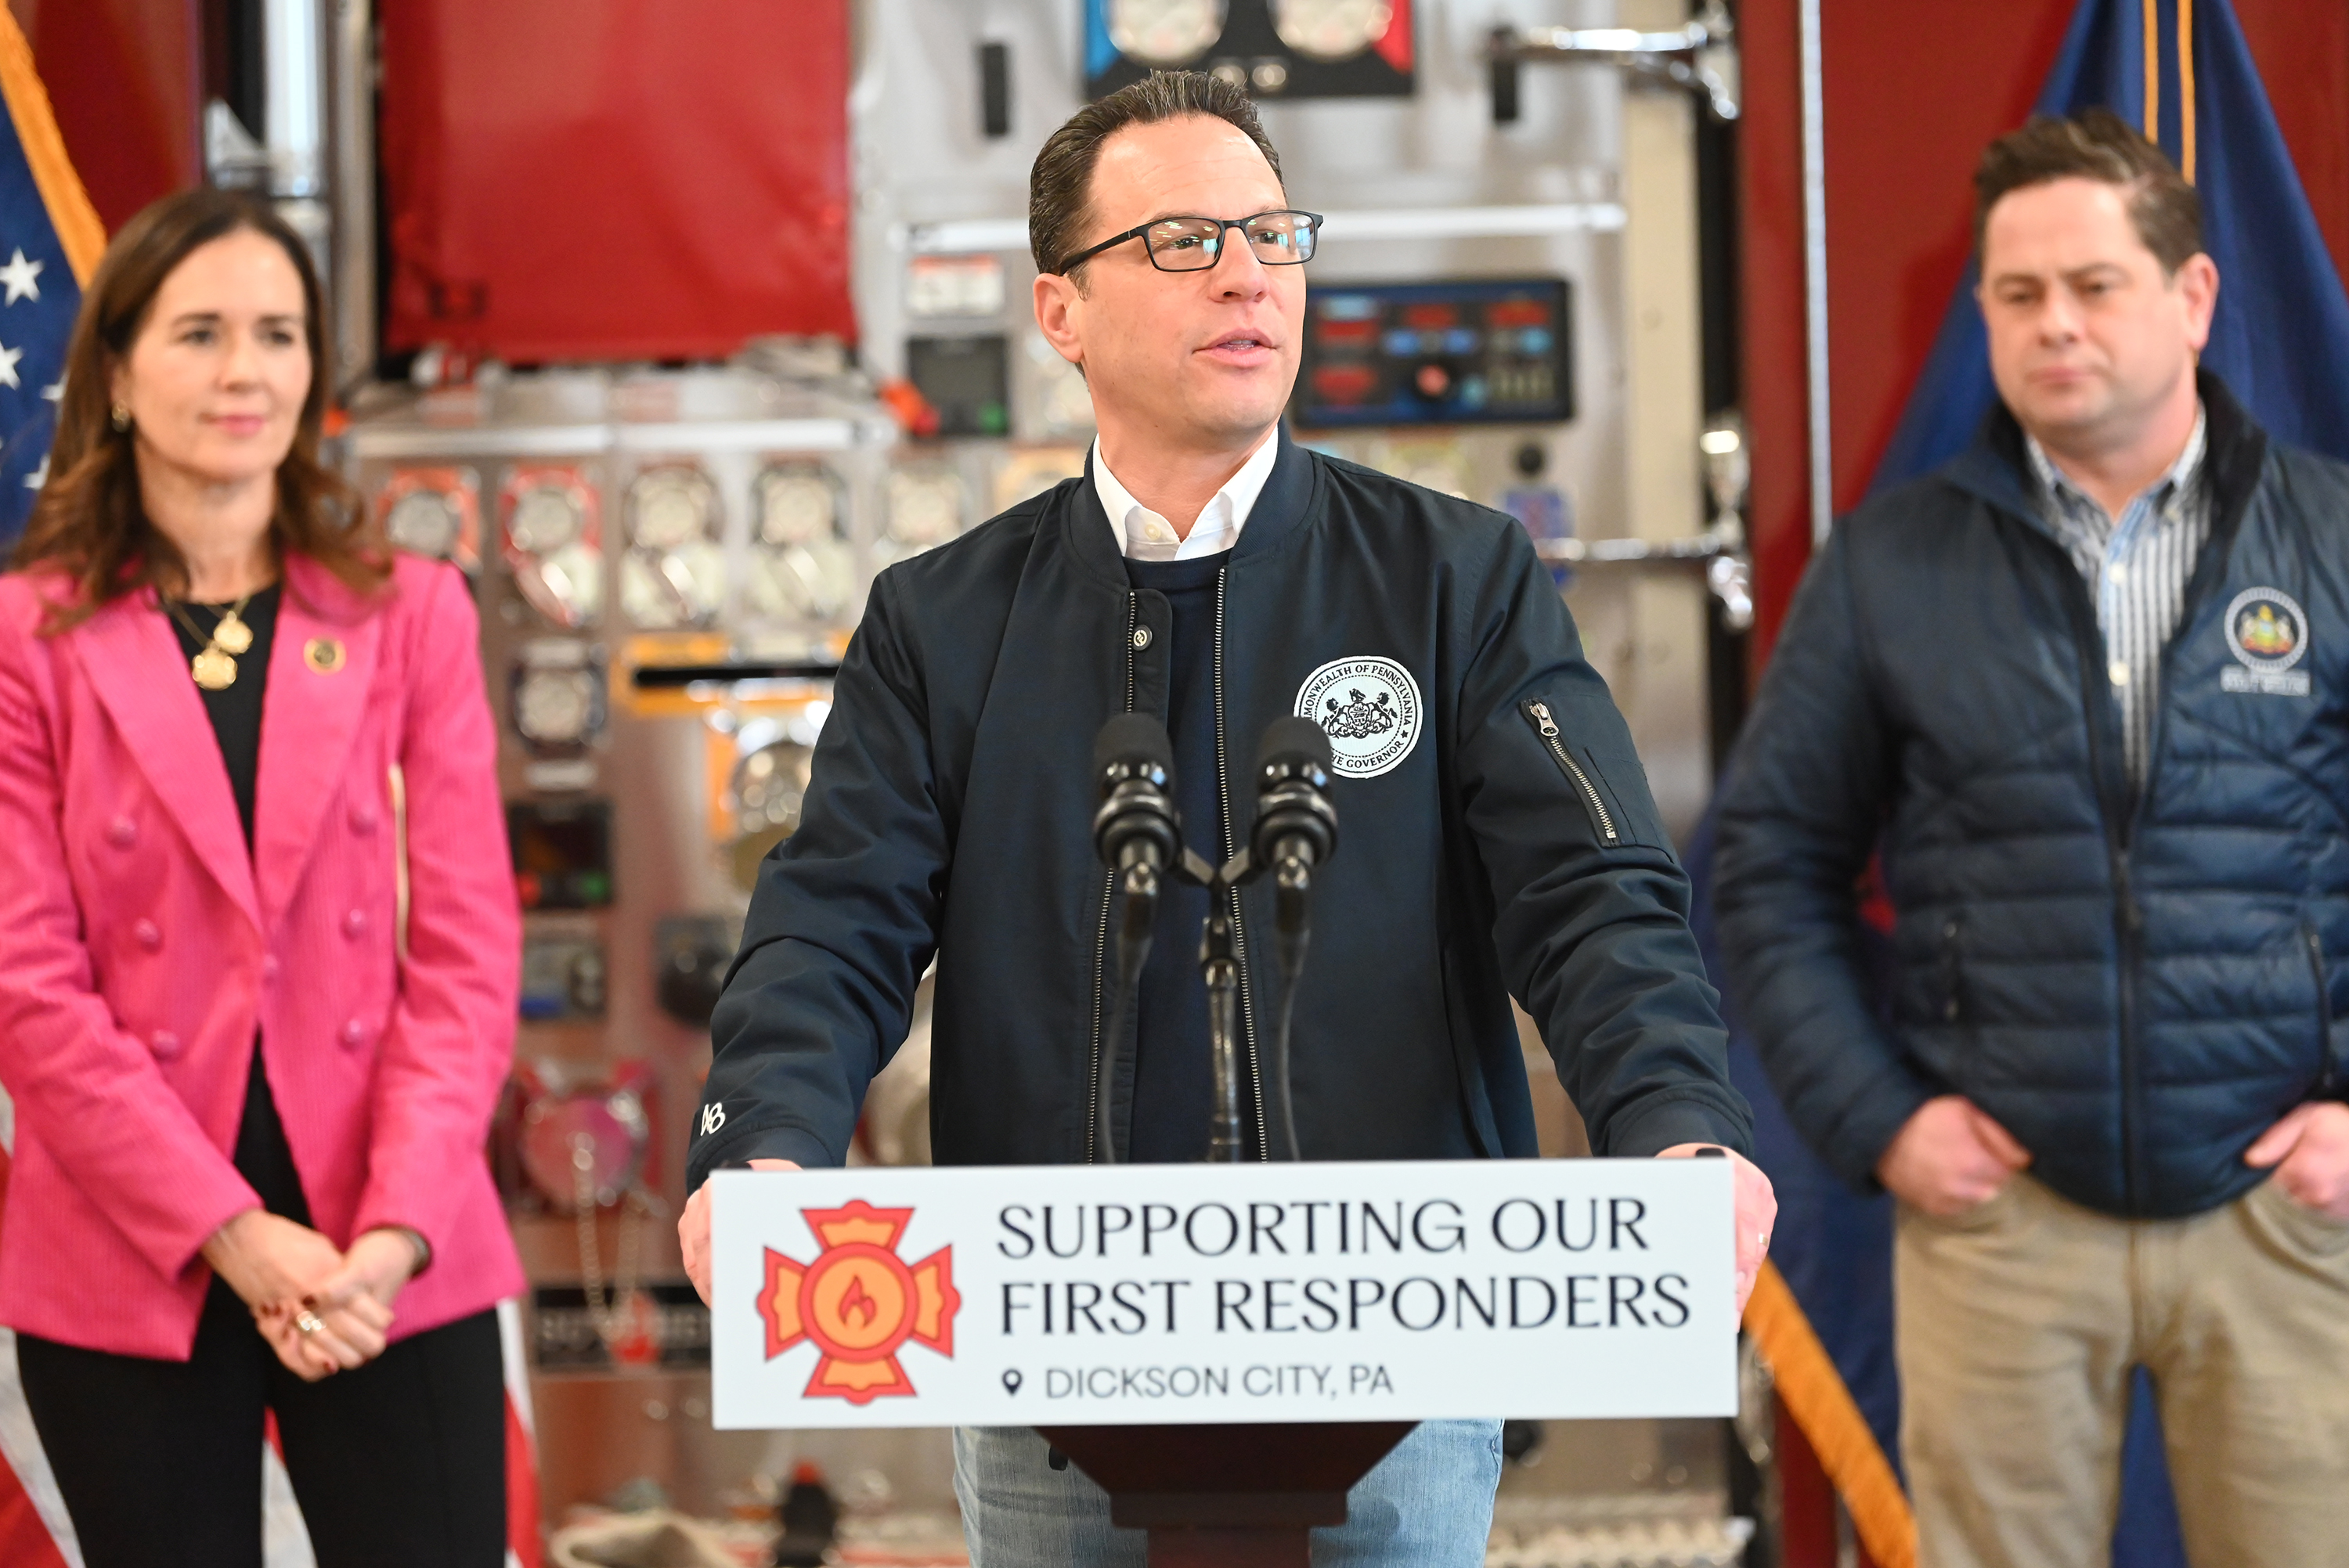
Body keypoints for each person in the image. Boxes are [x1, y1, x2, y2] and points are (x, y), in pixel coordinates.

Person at [677, 71, 1776, 1568]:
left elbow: (1592, 901)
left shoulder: (1457, 581)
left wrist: (1681, 1132)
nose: (1251, 272)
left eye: (1275, 234)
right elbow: (832, 929)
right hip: (1054, 1356)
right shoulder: (940, 624)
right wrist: (767, 1148)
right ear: (1061, 308)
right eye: (1187, 240)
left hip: (1402, 1347)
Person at [1714, 110, 2349, 1568]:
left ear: (2191, 300)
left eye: (2094, 285)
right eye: (2017, 295)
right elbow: (1769, 863)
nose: (2053, 324)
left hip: (2292, 1223)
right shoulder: (1892, 564)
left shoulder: (2331, 542)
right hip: (2001, 1232)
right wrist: (1883, 1121)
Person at [0, 188, 522, 1566]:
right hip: (133, 1241)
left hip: (386, 1234)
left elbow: (467, 953)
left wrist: (394, 1236)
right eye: (201, 333)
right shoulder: (23, 637)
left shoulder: (414, 612)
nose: (246, 372)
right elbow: (24, 986)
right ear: (114, 373)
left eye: (279, 334)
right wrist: (234, 1236)